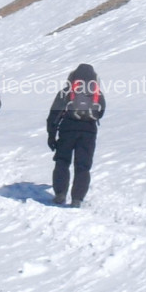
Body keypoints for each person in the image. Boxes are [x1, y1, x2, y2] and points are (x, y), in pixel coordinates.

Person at [46, 64, 104, 207]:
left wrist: (51, 136)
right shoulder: (97, 94)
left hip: (68, 130)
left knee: (62, 161)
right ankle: (77, 199)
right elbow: (100, 113)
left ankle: (60, 194)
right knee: (83, 166)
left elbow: (53, 115)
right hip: (89, 133)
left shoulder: (66, 92)